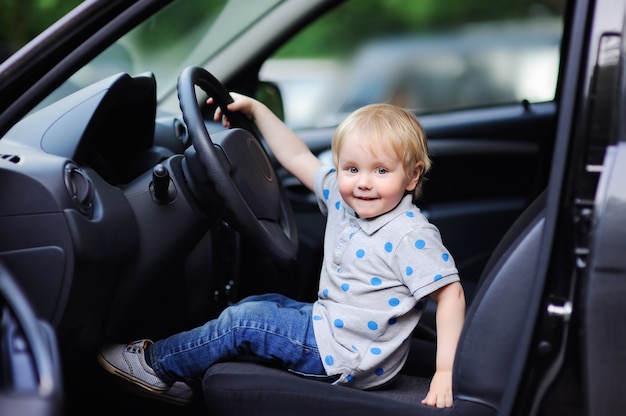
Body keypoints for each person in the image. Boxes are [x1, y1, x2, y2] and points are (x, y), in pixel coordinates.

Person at [97, 93, 466, 408]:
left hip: (344, 357)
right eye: (351, 168)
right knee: (254, 305)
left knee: (244, 323)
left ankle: (155, 364)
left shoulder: (409, 234)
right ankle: (184, 376)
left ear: (413, 176)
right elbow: (298, 158)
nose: (363, 183)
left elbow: (450, 294)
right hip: (330, 326)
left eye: (381, 171)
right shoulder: (344, 197)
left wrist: (445, 371)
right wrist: (258, 111)